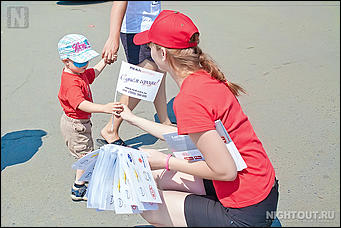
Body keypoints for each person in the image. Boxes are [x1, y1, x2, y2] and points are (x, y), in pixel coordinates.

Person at [113, 10, 279, 227]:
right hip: (261, 187)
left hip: (245, 212)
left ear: (162, 53)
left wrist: (165, 160)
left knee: (148, 202)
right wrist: (132, 118)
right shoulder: (205, 78)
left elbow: (225, 171)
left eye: (150, 47)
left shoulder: (189, 99)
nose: (149, 51)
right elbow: (190, 136)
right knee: (158, 178)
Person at [99, 1, 172, 147]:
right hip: (136, 28)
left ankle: (165, 121)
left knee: (160, 72)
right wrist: (113, 37)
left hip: (154, 24)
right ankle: (111, 128)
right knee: (143, 78)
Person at [57, 34, 120, 201]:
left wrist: (104, 62)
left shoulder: (80, 72)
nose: (85, 64)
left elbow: (93, 73)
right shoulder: (71, 82)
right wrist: (104, 108)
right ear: (66, 61)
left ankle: (83, 182)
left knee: (86, 154)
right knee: (85, 156)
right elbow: (81, 104)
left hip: (81, 122)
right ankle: (79, 188)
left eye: (86, 60)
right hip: (75, 124)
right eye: (80, 61)